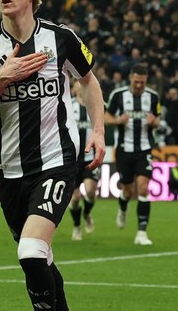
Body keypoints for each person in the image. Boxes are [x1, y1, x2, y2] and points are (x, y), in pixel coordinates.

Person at [0, 0, 106, 311]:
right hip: (9, 171)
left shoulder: (61, 38)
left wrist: (98, 131)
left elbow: (89, 82)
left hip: (56, 160)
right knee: (41, 256)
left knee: (30, 251)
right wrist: (1, 79)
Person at [105, 63, 161, 245]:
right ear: (130, 78)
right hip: (123, 149)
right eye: (136, 82)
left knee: (143, 188)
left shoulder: (153, 97)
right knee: (127, 190)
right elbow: (106, 117)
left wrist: (155, 123)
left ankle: (141, 233)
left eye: (142, 83)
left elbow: (158, 120)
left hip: (144, 148)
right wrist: (118, 120)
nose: (139, 86)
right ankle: (122, 208)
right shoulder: (118, 95)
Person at [68, 80, 100, 241]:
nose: (81, 84)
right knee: (74, 199)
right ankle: (76, 226)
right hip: (72, 160)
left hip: (89, 157)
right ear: (74, 88)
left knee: (90, 192)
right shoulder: (69, 106)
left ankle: (86, 213)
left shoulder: (93, 106)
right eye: (77, 83)